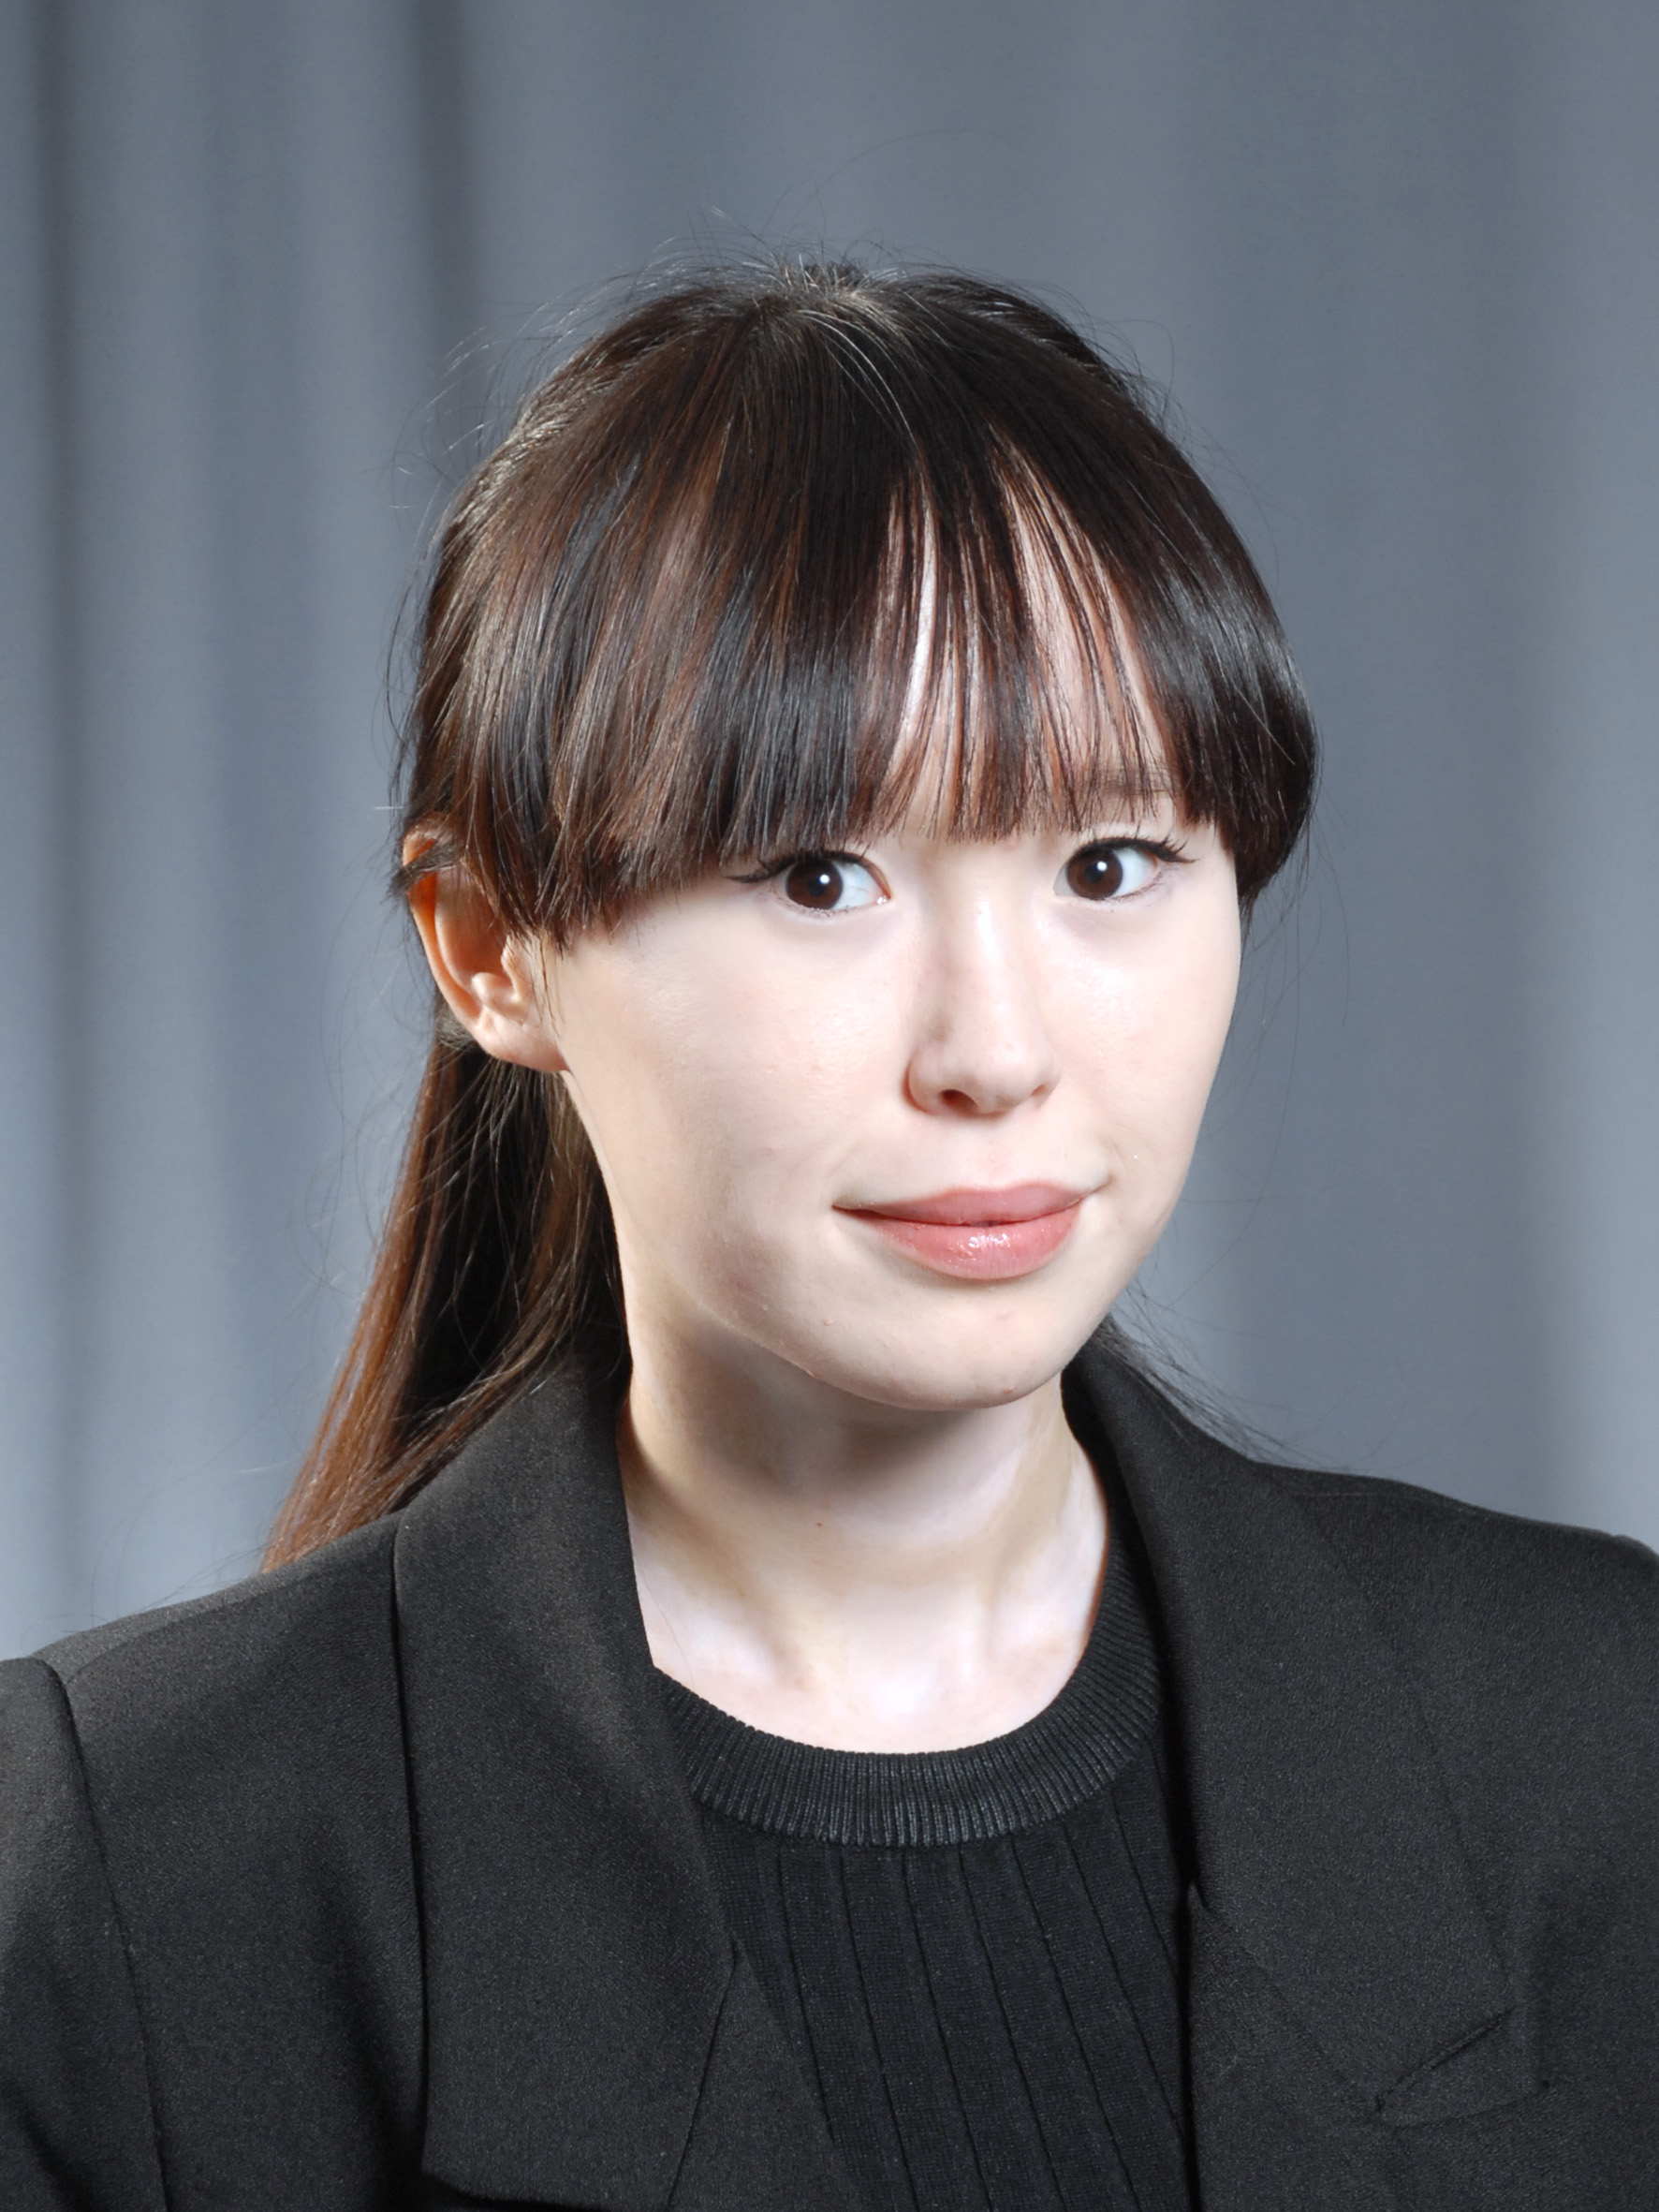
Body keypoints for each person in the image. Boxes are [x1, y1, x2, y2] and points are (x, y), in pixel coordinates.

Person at [1, 262, 1654, 2212]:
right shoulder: (129, 1866)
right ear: (489, 946)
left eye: (1109, 862)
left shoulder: (1594, 1734)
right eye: (817, 874)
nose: (994, 1052)